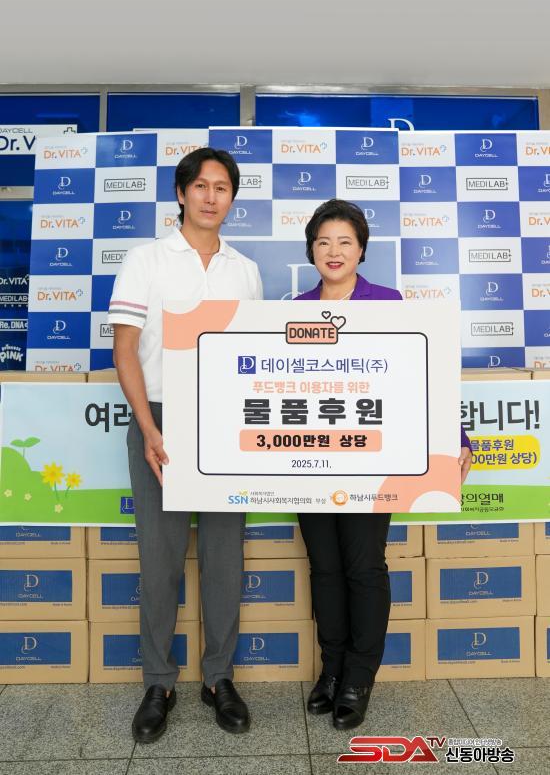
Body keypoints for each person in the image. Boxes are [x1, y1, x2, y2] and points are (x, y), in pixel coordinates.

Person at [295, 198, 472, 730]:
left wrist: (457, 438)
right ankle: (331, 669)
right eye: (323, 242)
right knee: (325, 567)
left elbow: (426, 374)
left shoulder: (390, 304)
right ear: (311, 250)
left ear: (362, 250)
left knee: (363, 566)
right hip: (308, 461)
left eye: (344, 242)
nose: (333, 251)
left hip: (374, 459)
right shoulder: (293, 310)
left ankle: (358, 678)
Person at [109, 147, 263, 742]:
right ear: (180, 193)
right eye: (200, 185)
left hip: (225, 424)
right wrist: (149, 429)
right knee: (160, 560)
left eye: (221, 187)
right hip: (161, 421)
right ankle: (159, 682)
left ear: (232, 198)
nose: (210, 196)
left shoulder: (245, 270)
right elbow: (125, 350)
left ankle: (218, 677)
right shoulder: (145, 259)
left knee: (225, 558)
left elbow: (252, 357)